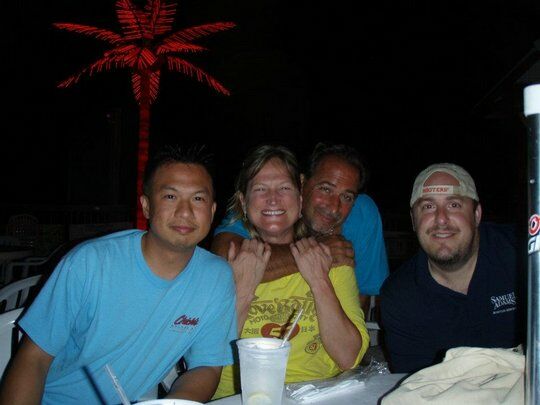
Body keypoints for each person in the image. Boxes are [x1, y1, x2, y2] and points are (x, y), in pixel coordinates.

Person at [0, 145, 237, 404]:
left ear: (212, 211)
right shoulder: (91, 263)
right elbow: (33, 359)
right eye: (170, 196)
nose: (185, 212)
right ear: (146, 206)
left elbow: (206, 366)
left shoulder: (216, 277)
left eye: (198, 199)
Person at [213, 145, 369, 399]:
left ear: (300, 199)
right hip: (240, 397)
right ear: (243, 202)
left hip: (318, 395)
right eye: (260, 189)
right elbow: (208, 357)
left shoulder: (333, 258)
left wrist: (319, 280)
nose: (273, 199)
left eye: (284, 188)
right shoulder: (228, 261)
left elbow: (349, 357)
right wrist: (243, 292)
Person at [212, 143, 389, 316]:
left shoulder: (361, 212)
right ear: (302, 184)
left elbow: (362, 295)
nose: (334, 207)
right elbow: (224, 259)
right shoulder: (264, 208)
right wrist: (317, 252)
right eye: (325, 189)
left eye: (347, 197)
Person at [380, 163, 523, 373]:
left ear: (477, 214)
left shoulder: (524, 254)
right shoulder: (400, 297)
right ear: (413, 221)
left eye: (454, 205)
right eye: (428, 207)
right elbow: (418, 383)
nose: (441, 219)